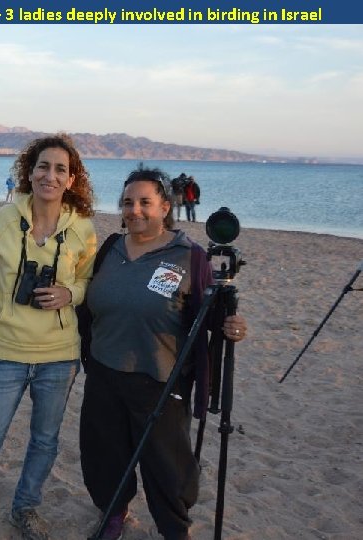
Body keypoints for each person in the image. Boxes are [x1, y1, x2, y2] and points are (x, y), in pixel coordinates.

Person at [77, 164, 247, 540]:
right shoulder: (109, 249)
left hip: (161, 378)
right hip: (104, 372)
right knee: (105, 454)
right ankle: (115, 512)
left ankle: (174, 528)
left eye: (144, 202)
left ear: (165, 206)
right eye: (127, 202)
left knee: (166, 464)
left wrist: (230, 327)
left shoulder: (190, 256)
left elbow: (211, 317)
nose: (134, 210)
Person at [0, 134, 97, 540]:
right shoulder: (4, 219)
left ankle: (25, 508)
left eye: (60, 169)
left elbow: (87, 280)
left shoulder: (82, 228)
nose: (51, 175)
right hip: (6, 352)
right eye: (43, 166)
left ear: (71, 179)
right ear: (29, 173)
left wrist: (70, 293)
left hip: (59, 356)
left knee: (45, 442)